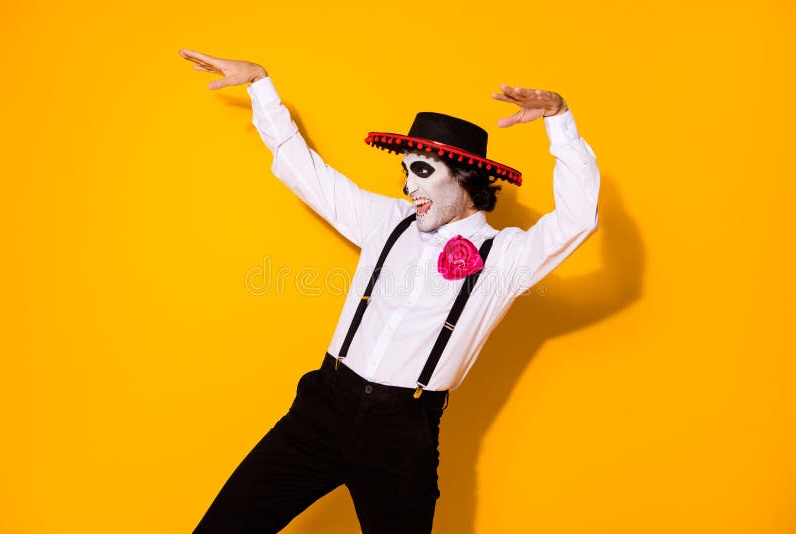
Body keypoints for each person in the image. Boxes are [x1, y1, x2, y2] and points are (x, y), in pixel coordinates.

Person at [179, 48, 600, 534]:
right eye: (405, 170)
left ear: (464, 177)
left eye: (421, 172)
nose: (406, 187)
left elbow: (576, 219)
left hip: (403, 434)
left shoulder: (506, 258)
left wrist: (559, 122)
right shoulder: (387, 222)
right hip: (323, 409)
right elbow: (308, 173)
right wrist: (260, 85)